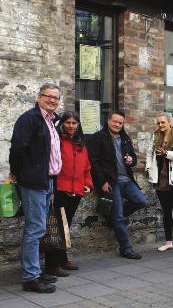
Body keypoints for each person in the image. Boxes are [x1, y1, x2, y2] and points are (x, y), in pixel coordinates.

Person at [9, 82, 63, 293]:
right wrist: (20, 174)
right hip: (33, 182)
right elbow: (17, 149)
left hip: (47, 180)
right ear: (39, 97)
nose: (52, 100)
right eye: (48, 96)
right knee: (35, 229)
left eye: (55, 98)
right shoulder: (30, 118)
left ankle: (35, 271)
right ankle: (30, 277)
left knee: (38, 229)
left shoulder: (50, 121)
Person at [88, 111, 147, 259]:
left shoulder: (125, 138)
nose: (117, 125)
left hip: (127, 180)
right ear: (108, 121)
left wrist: (130, 160)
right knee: (119, 217)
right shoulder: (99, 137)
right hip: (111, 182)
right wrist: (101, 182)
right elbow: (93, 162)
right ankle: (125, 248)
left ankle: (114, 218)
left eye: (120, 123)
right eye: (115, 121)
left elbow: (133, 158)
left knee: (142, 201)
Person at [44, 111, 93, 277]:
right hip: (60, 190)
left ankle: (62, 259)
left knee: (66, 226)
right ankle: (52, 265)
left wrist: (88, 184)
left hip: (76, 191)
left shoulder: (81, 143)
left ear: (78, 125)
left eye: (74, 123)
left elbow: (87, 167)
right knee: (56, 228)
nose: (71, 126)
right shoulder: (56, 141)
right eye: (68, 123)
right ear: (62, 124)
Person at [146, 112, 173, 254]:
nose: (160, 125)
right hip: (161, 179)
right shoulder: (156, 135)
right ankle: (168, 242)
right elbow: (149, 153)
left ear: (170, 123)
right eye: (158, 123)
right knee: (166, 212)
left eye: (163, 123)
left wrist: (167, 154)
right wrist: (148, 167)